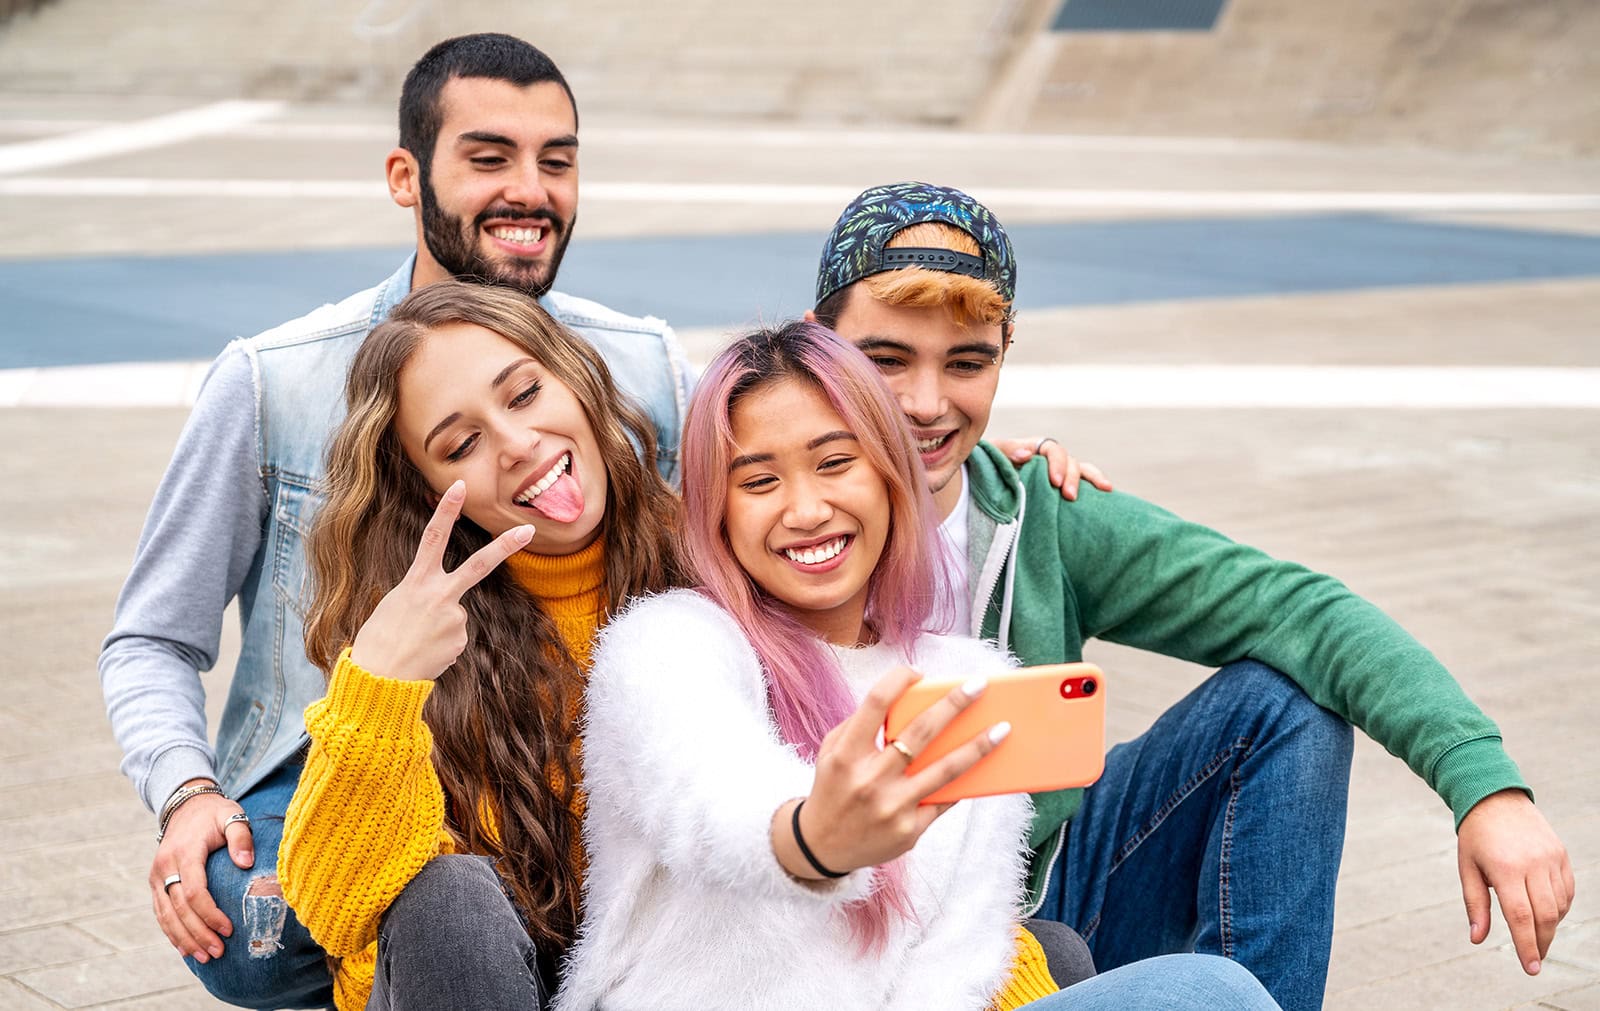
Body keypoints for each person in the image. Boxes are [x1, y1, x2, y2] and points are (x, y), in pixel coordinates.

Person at [804, 181, 1576, 1010]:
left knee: (1285, 703)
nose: (926, 404)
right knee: (1208, 995)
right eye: (886, 360)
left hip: (1026, 905)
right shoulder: (747, 504)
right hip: (836, 937)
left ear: (1005, 352)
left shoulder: (1037, 514)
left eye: (967, 362)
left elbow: (1301, 611)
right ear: (820, 344)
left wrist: (1485, 786)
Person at [97, 33, 694, 1008]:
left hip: (574, 759)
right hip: (355, 740)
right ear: (405, 176)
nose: (530, 191)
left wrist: (961, 453)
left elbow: (793, 450)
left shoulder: (641, 364)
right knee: (260, 922)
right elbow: (151, 638)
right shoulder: (276, 378)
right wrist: (185, 792)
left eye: (558, 160)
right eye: (489, 157)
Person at [551, 321, 1280, 1011]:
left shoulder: (967, 679)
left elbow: (952, 970)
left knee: (1210, 989)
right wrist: (811, 837)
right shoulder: (670, 641)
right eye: (759, 480)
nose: (805, 508)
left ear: (892, 477)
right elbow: (704, 795)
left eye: (836, 462)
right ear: (718, 511)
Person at [273, 279, 684, 1010]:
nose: (519, 444)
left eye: (524, 394)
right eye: (462, 443)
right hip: (480, 982)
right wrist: (381, 681)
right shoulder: (415, 632)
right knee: (450, 896)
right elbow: (331, 908)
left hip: (663, 977)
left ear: (577, 378)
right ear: (430, 490)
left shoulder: (704, 556)